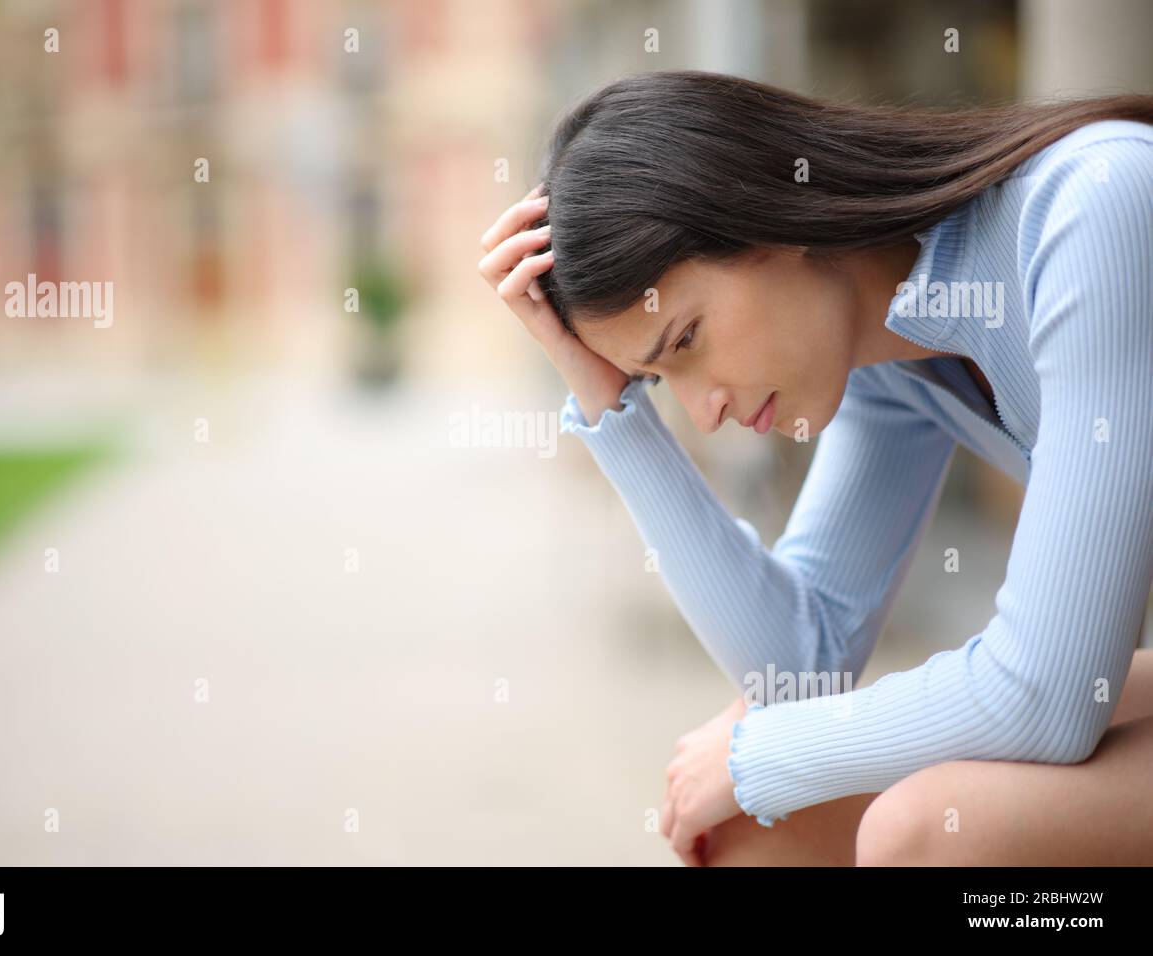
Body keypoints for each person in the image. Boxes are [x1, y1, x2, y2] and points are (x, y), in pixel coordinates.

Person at [477, 70, 1153, 866]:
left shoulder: (1098, 206)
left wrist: (754, 755)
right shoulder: (895, 359)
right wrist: (610, 407)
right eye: (660, 379)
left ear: (772, 212)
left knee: (928, 832)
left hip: (1065, 691)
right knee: (754, 829)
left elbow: (1045, 701)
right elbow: (798, 664)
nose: (705, 413)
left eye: (687, 340)